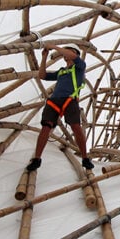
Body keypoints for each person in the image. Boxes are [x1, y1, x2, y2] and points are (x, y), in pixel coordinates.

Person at [25, 43, 93, 173]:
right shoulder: (61, 71)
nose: (65, 53)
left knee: (76, 127)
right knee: (46, 127)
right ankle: (37, 159)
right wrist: (44, 58)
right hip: (54, 100)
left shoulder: (79, 67)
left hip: (70, 99)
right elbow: (42, 75)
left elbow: (72, 55)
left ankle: (85, 157)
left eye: (68, 51)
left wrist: (55, 47)